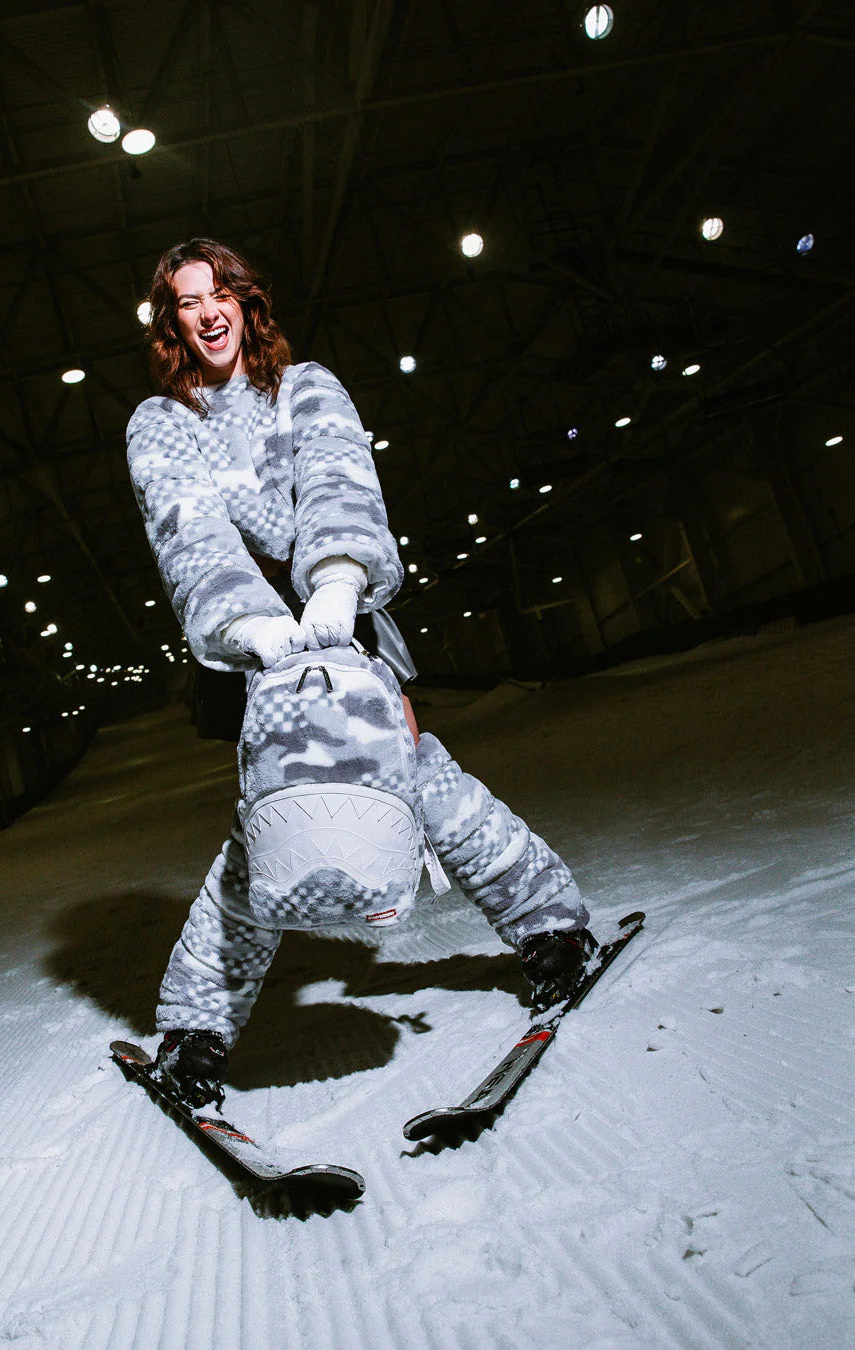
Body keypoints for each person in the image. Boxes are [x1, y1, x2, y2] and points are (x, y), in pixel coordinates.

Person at [125, 239, 595, 1109]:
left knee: (417, 776)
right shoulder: (162, 425)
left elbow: (341, 479)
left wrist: (337, 581)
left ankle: (552, 931)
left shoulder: (307, 387)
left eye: (222, 291)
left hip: (340, 620)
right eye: (189, 301)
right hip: (253, 647)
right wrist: (252, 625)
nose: (209, 310)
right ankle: (197, 1031)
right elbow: (186, 527)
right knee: (266, 822)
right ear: (173, 323)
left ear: (248, 302)